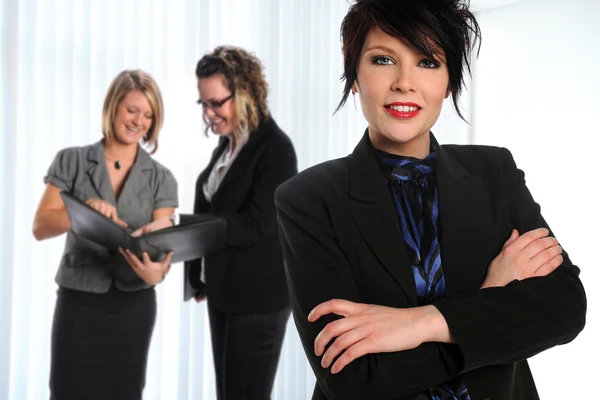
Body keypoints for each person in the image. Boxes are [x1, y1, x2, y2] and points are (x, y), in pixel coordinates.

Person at [274, 1, 587, 399]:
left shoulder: (496, 171)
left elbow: (564, 310)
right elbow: (353, 378)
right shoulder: (307, 199)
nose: (405, 82)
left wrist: (423, 323)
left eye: (427, 62)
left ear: (450, 79)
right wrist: (489, 303)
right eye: (383, 59)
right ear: (354, 73)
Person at [32, 69, 178, 400]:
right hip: (78, 301)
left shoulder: (161, 178)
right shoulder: (71, 160)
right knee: (68, 391)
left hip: (133, 305)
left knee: (124, 393)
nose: (138, 121)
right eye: (131, 110)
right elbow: (40, 225)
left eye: (148, 114)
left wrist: (157, 272)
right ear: (113, 107)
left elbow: (162, 248)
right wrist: (81, 209)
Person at [187, 46, 297, 400]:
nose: (209, 113)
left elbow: (253, 224)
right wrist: (196, 271)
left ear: (245, 93)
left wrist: (183, 234)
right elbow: (214, 207)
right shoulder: (229, 144)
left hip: (257, 302)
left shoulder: (276, 149)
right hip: (224, 292)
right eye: (203, 104)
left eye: (216, 102)